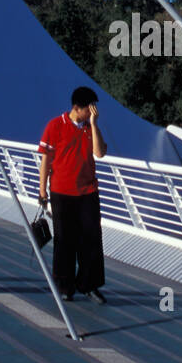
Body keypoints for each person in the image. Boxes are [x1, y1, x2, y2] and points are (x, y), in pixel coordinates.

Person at [38, 86, 108, 304]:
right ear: (77, 108)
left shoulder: (90, 127)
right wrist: (42, 191)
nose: (93, 111)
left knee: (91, 239)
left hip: (88, 191)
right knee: (64, 240)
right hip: (61, 191)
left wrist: (94, 125)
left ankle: (89, 284)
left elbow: (100, 153)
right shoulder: (55, 125)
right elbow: (46, 160)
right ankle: (65, 286)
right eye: (90, 108)